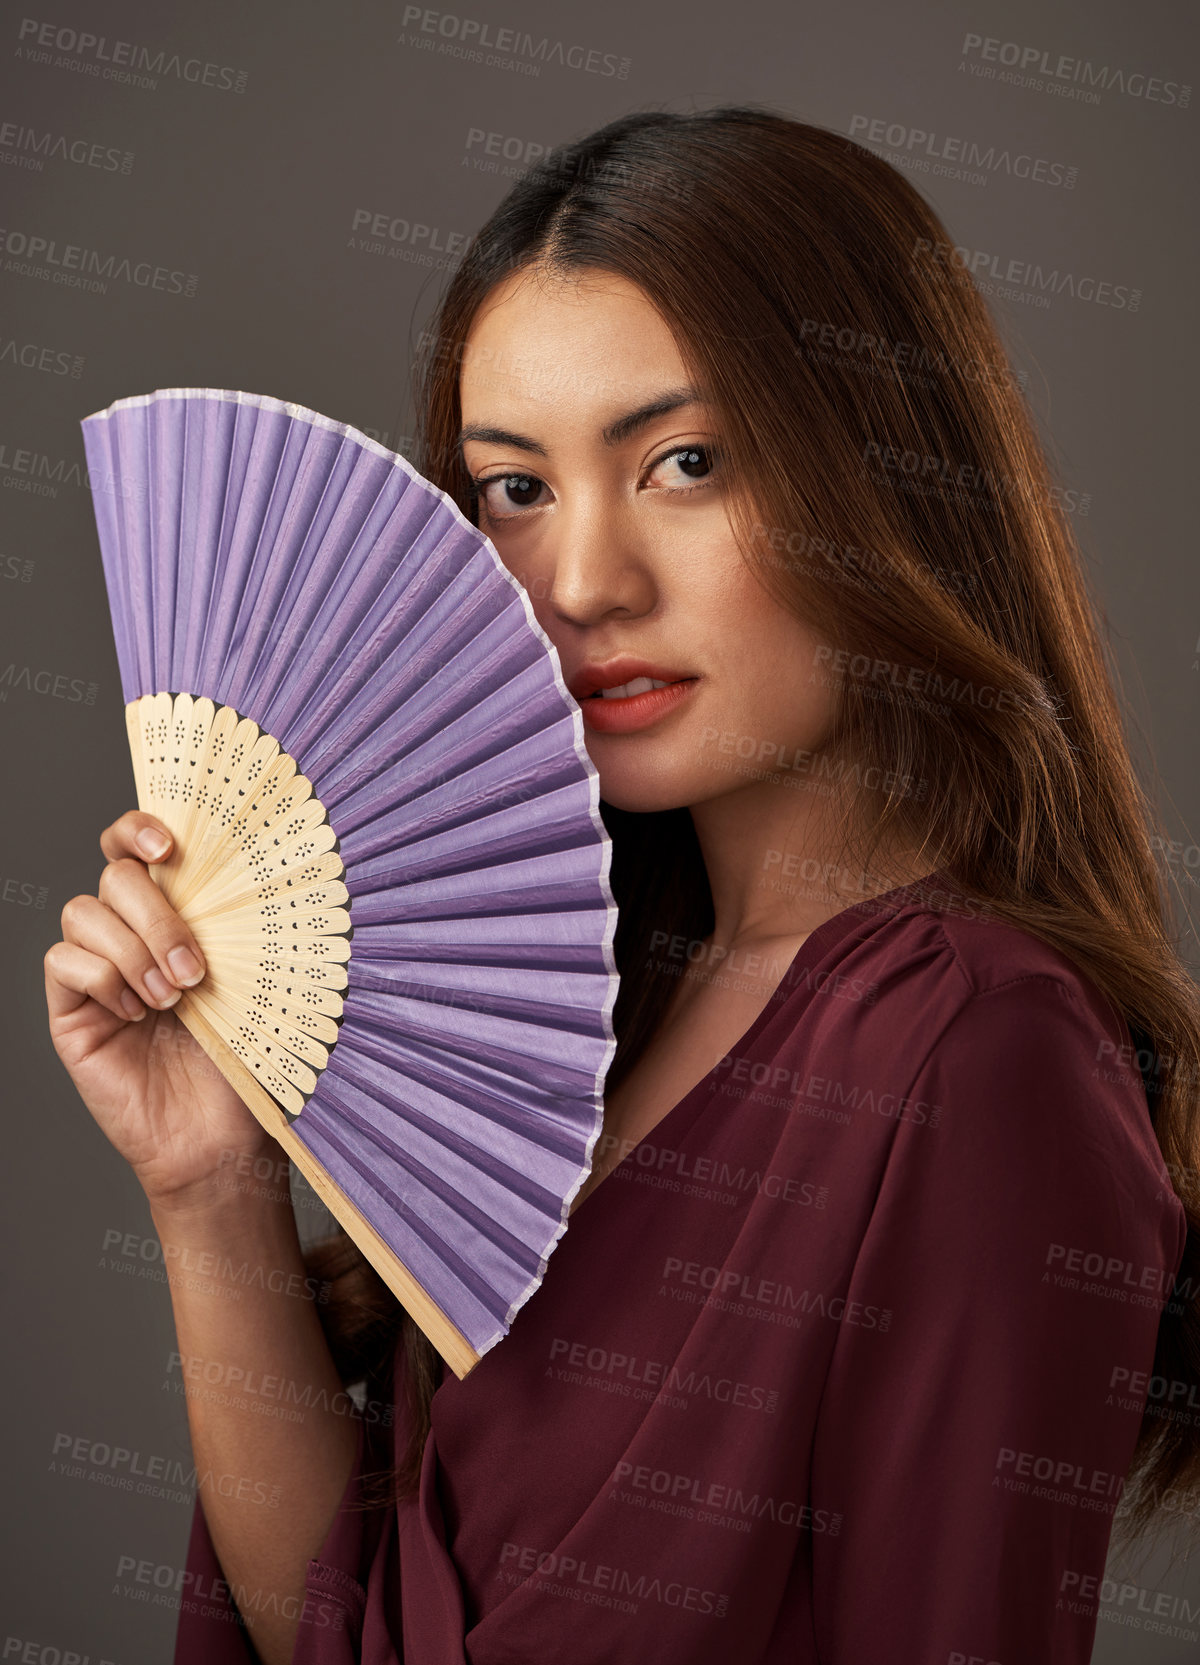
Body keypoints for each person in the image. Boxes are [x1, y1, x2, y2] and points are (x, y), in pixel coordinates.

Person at [45, 106, 1200, 1665]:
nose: (583, 581)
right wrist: (207, 1187)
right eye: (513, 488)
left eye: (686, 463)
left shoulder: (983, 1056)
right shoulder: (574, 1021)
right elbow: (346, 1633)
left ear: (891, 476)